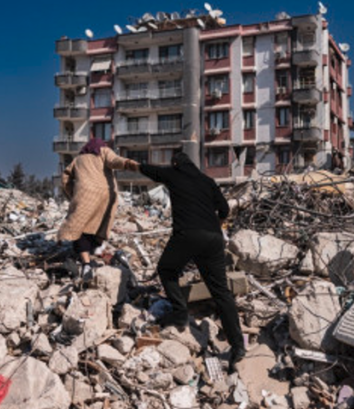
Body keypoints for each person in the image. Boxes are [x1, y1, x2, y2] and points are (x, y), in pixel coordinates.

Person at [134, 152, 246, 371]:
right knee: (221, 291)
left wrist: (134, 164)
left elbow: (151, 170)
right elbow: (224, 209)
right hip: (213, 239)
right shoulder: (207, 181)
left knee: (166, 269)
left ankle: (180, 313)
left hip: (187, 234)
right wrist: (214, 226)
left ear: (176, 164)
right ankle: (238, 345)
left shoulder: (175, 175)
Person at [58, 138, 139, 280]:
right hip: (106, 195)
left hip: (84, 195)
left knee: (79, 228)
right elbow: (115, 160)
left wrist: (72, 194)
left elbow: (65, 178)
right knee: (99, 225)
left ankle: (86, 263)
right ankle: (96, 251)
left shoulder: (78, 159)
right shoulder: (104, 151)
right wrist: (127, 163)